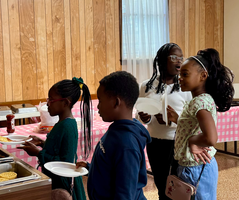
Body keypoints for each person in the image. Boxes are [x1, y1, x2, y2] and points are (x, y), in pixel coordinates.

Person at [167, 48, 234, 200]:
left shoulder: (199, 102)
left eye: (185, 74)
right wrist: (178, 120)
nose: (180, 78)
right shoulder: (201, 100)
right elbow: (194, 127)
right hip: (195, 167)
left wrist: (193, 141)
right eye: (180, 74)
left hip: (196, 169)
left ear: (203, 76)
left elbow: (211, 138)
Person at [77, 71, 151, 200]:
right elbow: (114, 167)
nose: (98, 107)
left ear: (116, 102)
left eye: (100, 100)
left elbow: (125, 194)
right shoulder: (117, 129)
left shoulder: (126, 144)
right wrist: (90, 168)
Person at [18, 77, 93, 200]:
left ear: (66, 102)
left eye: (51, 100)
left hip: (64, 185)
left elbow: (65, 163)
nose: (47, 103)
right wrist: (42, 143)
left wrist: (38, 153)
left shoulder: (67, 126)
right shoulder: (62, 123)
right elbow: (58, 148)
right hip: (56, 181)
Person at [136, 43, 192, 200]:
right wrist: (144, 117)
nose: (179, 61)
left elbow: (192, 120)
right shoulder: (146, 86)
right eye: (174, 57)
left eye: (181, 58)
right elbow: (139, 113)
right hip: (154, 143)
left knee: (178, 186)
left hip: (178, 142)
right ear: (162, 60)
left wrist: (173, 121)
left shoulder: (186, 88)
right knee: (161, 185)